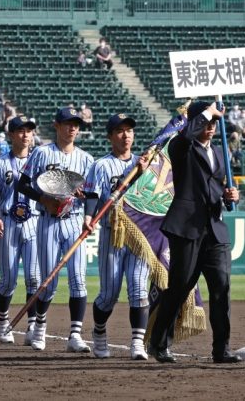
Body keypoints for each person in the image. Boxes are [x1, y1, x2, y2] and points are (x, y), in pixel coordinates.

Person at [148, 101, 241, 364]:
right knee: (180, 287)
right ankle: (159, 342)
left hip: (215, 230)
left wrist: (230, 196)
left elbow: (217, 190)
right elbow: (188, 132)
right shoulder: (182, 146)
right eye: (206, 121)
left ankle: (221, 349)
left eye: (214, 123)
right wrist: (209, 111)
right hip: (187, 228)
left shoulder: (221, 154)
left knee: (222, 288)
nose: (211, 127)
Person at [16, 106, 94, 352]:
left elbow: (92, 195)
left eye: (76, 124)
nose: (72, 128)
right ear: (57, 126)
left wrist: (88, 210)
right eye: (67, 123)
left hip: (74, 220)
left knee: (78, 280)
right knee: (48, 282)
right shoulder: (41, 153)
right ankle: (39, 328)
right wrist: (42, 199)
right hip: (48, 221)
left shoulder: (86, 159)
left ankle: (75, 335)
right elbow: (22, 184)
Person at [83, 114, 151, 360]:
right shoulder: (101, 165)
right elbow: (92, 195)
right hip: (112, 234)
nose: (126, 135)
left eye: (130, 130)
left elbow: (152, 197)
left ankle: (137, 343)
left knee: (137, 288)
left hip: (139, 235)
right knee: (109, 294)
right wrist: (88, 218)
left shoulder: (144, 163)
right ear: (110, 136)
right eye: (120, 131)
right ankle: (99, 331)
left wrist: (142, 174)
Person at [0, 117, 40, 344]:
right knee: (7, 280)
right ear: (10, 135)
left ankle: (33, 326)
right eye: (19, 131)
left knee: (34, 278)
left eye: (28, 131)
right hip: (8, 221)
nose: (25, 135)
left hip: (34, 221)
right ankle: (4, 321)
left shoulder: (40, 160)